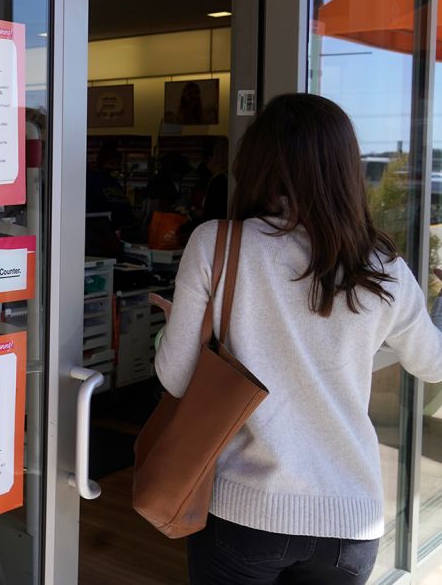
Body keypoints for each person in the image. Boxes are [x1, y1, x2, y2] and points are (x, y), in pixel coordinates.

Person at [151, 94, 442, 584]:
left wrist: (175, 325)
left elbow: (176, 379)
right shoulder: (385, 268)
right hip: (350, 519)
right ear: (347, 170)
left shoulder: (217, 243)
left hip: (244, 514)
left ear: (255, 164)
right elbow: (433, 365)